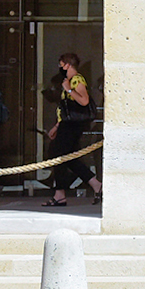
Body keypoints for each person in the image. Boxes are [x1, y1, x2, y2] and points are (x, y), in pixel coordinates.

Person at [44, 52, 102, 207]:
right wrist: (57, 126)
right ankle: (95, 184)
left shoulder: (77, 80)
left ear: (67, 65)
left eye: (61, 64)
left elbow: (84, 100)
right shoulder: (68, 81)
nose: (60, 68)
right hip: (66, 125)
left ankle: (60, 194)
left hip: (72, 126)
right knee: (70, 158)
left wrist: (69, 90)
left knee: (58, 156)